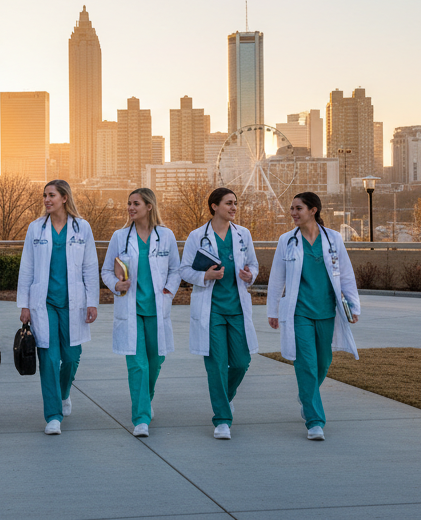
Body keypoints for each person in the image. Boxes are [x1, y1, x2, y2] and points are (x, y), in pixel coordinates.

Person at [266, 191, 361, 442]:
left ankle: (307, 394)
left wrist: (354, 306)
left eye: (298, 208)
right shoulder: (287, 240)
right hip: (299, 312)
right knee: (306, 363)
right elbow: (277, 278)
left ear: (313, 210)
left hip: (327, 311)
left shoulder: (333, 239)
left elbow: (347, 274)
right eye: (292, 208)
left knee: (323, 362)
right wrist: (273, 310)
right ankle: (315, 420)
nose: (293, 213)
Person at [17, 179, 99, 435]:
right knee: (49, 359)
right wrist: (24, 304)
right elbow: (27, 267)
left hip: (73, 304)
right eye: (44, 195)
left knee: (72, 358)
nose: (46, 200)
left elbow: (89, 267)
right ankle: (53, 415)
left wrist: (92, 301)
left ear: (65, 197)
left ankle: (64, 392)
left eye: (51, 195)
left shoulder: (81, 227)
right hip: (44, 303)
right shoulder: (36, 228)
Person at [179, 187, 258, 440]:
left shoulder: (243, 234)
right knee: (216, 367)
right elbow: (184, 270)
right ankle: (222, 419)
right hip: (210, 311)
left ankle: (225, 397)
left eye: (235, 203)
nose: (234, 207)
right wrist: (206, 275)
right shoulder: (196, 236)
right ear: (214, 206)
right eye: (228, 203)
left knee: (240, 363)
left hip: (237, 309)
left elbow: (253, 265)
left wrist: (250, 275)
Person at [101, 188, 180, 437]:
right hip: (130, 310)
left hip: (157, 309)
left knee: (155, 363)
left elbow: (176, 270)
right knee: (138, 365)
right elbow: (105, 271)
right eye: (129, 204)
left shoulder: (165, 236)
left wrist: (168, 291)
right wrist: (116, 284)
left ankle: (146, 401)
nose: (130, 208)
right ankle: (141, 418)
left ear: (149, 206)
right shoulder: (120, 236)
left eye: (136, 203)